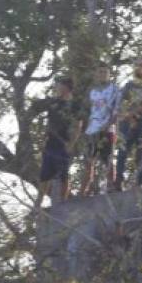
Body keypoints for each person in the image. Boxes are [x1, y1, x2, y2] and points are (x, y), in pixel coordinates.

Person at [38, 76, 81, 204]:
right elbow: (49, 123)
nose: (56, 88)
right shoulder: (53, 103)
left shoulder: (75, 105)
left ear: (66, 87)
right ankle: (38, 203)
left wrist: (72, 143)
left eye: (59, 85)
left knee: (63, 175)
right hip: (51, 142)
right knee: (44, 175)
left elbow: (78, 125)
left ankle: (63, 202)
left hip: (65, 143)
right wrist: (43, 138)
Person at [114, 60, 142, 190]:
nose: (139, 68)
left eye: (141, 66)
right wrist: (129, 118)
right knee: (122, 151)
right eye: (137, 65)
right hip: (127, 122)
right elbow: (121, 104)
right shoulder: (128, 85)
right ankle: (118, 181)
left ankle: (140, 182)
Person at [81, 64, 119, 196]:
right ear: (96, 74)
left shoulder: (114, 89)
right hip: (92, 129)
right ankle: (85, 189)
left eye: (105, 72)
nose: (102, 74)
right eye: (100, 72)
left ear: (109, 74)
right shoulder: (92, 91)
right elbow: (88, 110)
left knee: (107, 159)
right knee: (88, 160)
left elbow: (117, 110)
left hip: (107, 128)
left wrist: (109, 124)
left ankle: (111, 186)